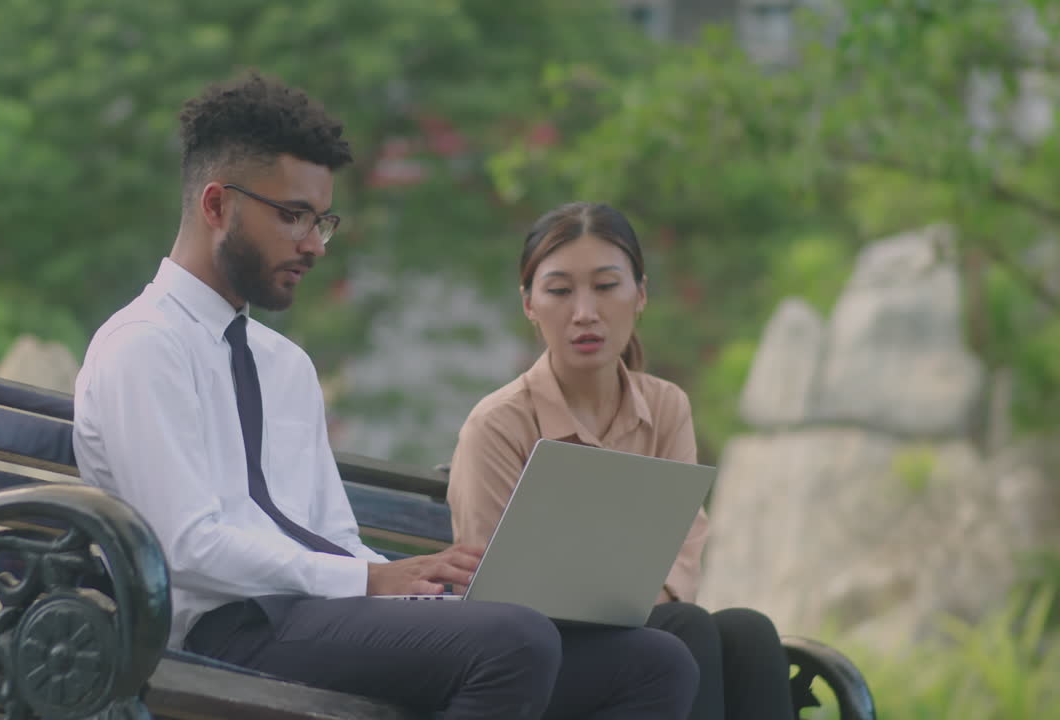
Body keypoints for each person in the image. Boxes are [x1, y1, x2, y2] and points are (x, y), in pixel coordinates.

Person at [73, 74, 699, 719]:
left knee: (652, 664)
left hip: (319, 620)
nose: (314, 244)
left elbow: (333, 537)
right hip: (218, 632)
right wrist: (368, 579)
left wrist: (418, 588)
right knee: (514, 642)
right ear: (215, 206)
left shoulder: (283, 364)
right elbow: (186, 547)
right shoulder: (142, 347)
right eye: (293, 216)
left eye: (322, 221)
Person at [446, 202, 796, 720]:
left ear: (641, 294)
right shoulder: (498, 424)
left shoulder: (666, 406)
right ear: (529, 304)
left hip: (647, 629)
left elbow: (682, 547)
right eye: (560, 291)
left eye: (606, 286)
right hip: (538, 658)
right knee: (684, 632)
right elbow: (490, 594)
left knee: (748, 632)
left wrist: (627, 606)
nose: (584, 312)